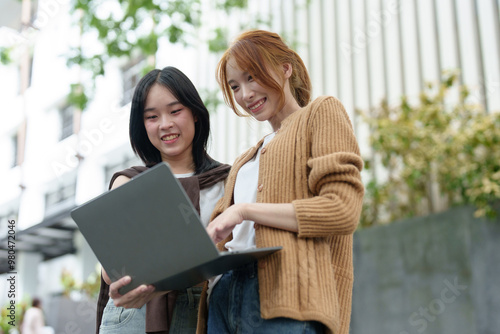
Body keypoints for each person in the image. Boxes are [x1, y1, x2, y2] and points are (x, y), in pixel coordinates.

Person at [197, 30, 364, 334]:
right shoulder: (244, 160)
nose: (245, 94)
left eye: (252, 77)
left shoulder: (320, 113)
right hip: (221, 300)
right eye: (235, 86)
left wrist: (245, 211)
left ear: (285, 68)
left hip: (285, 300)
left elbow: (341, 209)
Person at [96, 66, 230, 334]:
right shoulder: (128, 182)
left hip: (203, 310)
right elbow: (108, 271)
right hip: (134, 312)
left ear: (195, 113)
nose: (165, 124)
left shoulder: (227, 181)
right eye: (152, 116)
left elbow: (234, 253)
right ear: (142, 125)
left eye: (175, 111)